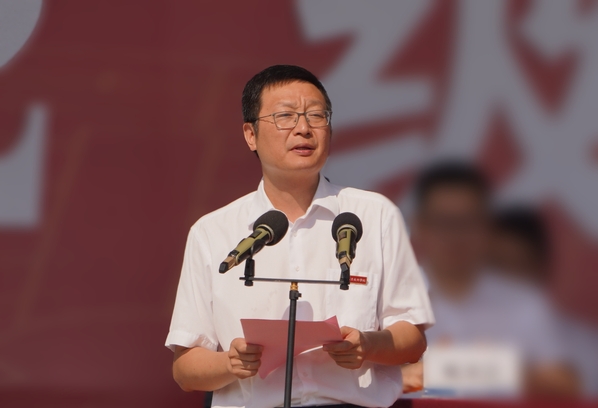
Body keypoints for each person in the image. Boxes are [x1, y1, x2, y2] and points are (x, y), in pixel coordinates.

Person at [165, 65, 434, 408]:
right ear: (250, 134)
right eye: (285, 116)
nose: (303, 129)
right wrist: (230, 364)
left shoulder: (375, 216)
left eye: (316, 116)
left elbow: (413, 338)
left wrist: (368, 345)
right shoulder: (212, 232)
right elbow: (185, 369)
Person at [402, 161, 575, 397]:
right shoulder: (394, 296)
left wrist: (489, 368)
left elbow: (564, 383)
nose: (455, 237)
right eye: (443, 223)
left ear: (487, 226)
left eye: (467, 222)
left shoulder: (523, 301)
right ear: (419, 225)